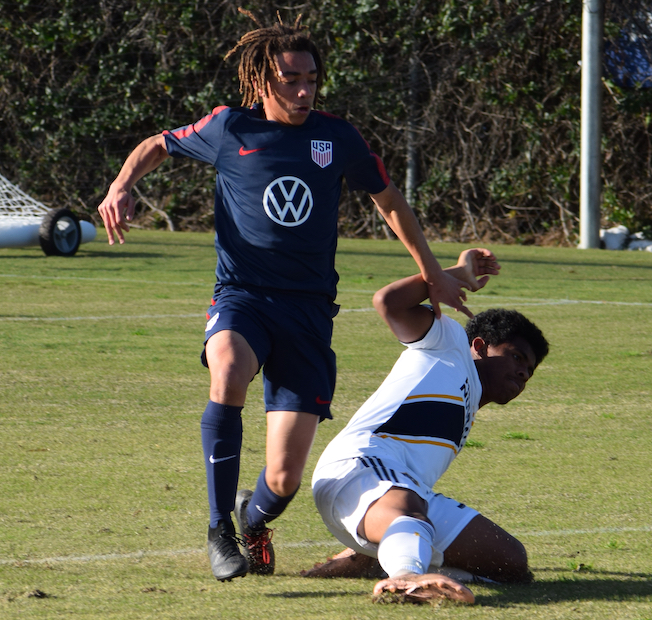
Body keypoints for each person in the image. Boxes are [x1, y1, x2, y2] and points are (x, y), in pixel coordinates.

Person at [96, 11, 471, 582]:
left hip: (308, 312)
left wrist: (432, 271)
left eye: (311, 80)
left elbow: (389, 201)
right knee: (226, 370)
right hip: (243, 295)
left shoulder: (337, 137)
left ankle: (253, 518)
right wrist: (122, 185)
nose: (302, 91)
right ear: (261, 82)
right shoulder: (229, 128)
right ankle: (220, 527)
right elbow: (157, 145)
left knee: (285, 478)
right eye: (289, 80)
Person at [304, 248, 549, 604]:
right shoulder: (449, 345)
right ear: (479, 346)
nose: (523, 373)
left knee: (510, 561)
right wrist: (454, 275)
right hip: (357, 468)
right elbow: (388, 301)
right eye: (516, 357)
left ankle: (380, 557)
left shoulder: (466, 408)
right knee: (409, 506)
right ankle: (404, 576)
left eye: (530, 370)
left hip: (401, 497)